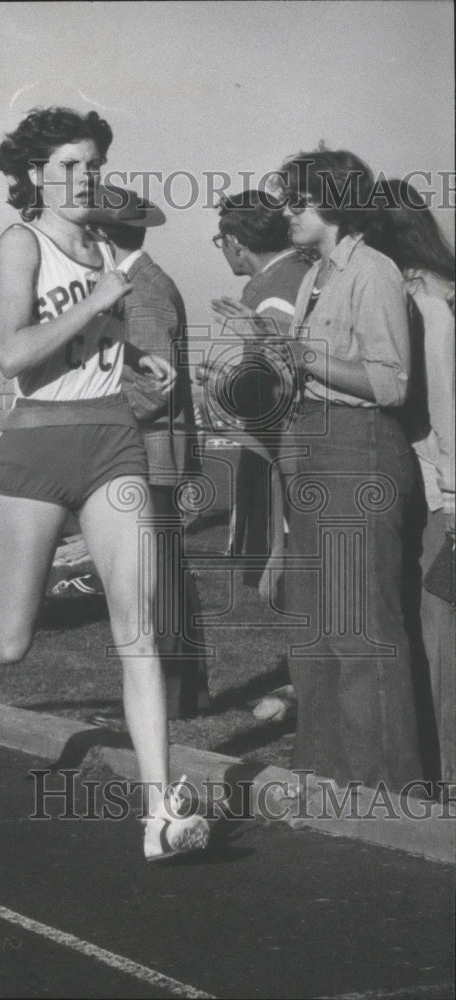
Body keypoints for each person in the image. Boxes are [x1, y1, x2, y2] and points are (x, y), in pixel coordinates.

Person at [0, 107, 209, 861]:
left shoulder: (106, 246)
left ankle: (156, 815)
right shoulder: (21, 243)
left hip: (113, 441)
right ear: (36, 175)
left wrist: (141, 364)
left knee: (136, 628)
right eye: (69, 166)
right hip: (37, 447)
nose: (84, 179)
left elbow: (93, 350)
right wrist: (96, 303)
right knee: (12, 641)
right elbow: (12, 356)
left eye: (94, 166)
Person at [278, 149, 423, 793]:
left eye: (297, 201)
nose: (286, 212)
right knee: (317, 626)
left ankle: (385, 787)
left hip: (359, 451)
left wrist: (303, 359)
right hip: (316, 444)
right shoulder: (317, 277)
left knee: (361, 626)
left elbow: (391, 384)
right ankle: (329, 773)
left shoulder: (375, 273)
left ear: (333, 205)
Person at [88, 186, 211, 720]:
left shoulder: (143, 291)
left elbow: (151, 386)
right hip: (151, 455)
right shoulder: (140, 283)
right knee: (163, 582)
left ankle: (166, 699)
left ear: (101, 234)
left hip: (148, 456)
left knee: (152, 585)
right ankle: (182, 697)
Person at [373, 179, 455, 786]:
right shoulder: (437, 291)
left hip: (442, 491)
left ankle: (444, 774)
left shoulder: (425, 302)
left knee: (438, 642)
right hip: (437, 485)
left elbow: (444, 408)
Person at [202, 191, 310, 602]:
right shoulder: (302, 272)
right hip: (295, 447)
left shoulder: (271, 291)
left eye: (221, 241)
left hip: (284, 451)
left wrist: (224, 385)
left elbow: (281, 384)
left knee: (290, 588)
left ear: (235, 242)